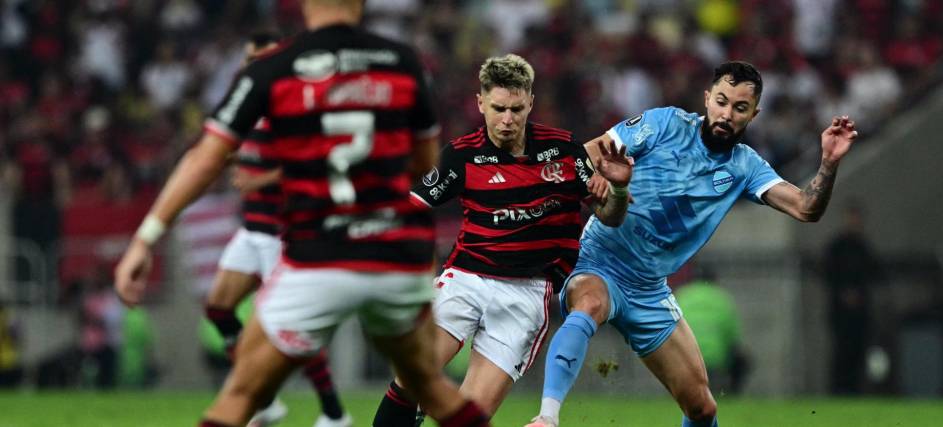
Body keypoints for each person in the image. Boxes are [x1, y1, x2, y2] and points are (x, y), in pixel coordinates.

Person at [114, 1, 491, 426]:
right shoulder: (402, 62)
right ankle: (336, 414)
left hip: (318, 252)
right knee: (432, 390)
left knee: (241, 394)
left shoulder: (276, 66)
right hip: (396, 256)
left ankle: (328, 413)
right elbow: (424, 165)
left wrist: (147, 236)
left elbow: (206, 158)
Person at [525, 61, 859, 427]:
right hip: (601, 258)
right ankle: (547, 418)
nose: (727, 114)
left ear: (754, 114)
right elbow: (589, 154)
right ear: (707, 98)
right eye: (721, 101)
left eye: (740, 108)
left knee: (703, 409)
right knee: (588, 304)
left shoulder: (745, 166)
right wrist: (591, 184)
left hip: (650, 289)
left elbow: (806, 208)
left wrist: (828, 163)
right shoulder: (664, 123)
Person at [372, 54, 633, 426]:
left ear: (530, 103)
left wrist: (619, 190)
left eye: (515, 109)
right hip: (466, 279)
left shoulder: (564, 151)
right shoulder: (461, 156)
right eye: (497, 109)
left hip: (526, 296)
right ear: (481, 103)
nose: (507, 120)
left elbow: (610, 216)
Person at [202, 30, 348, 427]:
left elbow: (315, 162)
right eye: (250, 58)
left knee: (293, 330)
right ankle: (266, 400)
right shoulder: (249, 104)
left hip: (280, 233)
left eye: (261, 57)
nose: (253, 65)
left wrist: (260, 179)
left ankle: (334, 413)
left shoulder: (295, 106)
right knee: (218, 308)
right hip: (251, 229)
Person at [823, 204, 881, 395]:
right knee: (842, 352)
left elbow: (872, 275)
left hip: (860, 313)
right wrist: (843, 294)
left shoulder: (863, 247)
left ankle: (854, 390)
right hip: (840, 312)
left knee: (858, 351)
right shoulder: (837, 247)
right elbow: (828, 273)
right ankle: (839, 390)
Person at [672, 267, 748, 394]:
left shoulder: (682, 295)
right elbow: (733, 336)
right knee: (742, 362)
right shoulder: (721, 298)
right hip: (715, 357)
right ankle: (731, 395)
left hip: (685, 356)